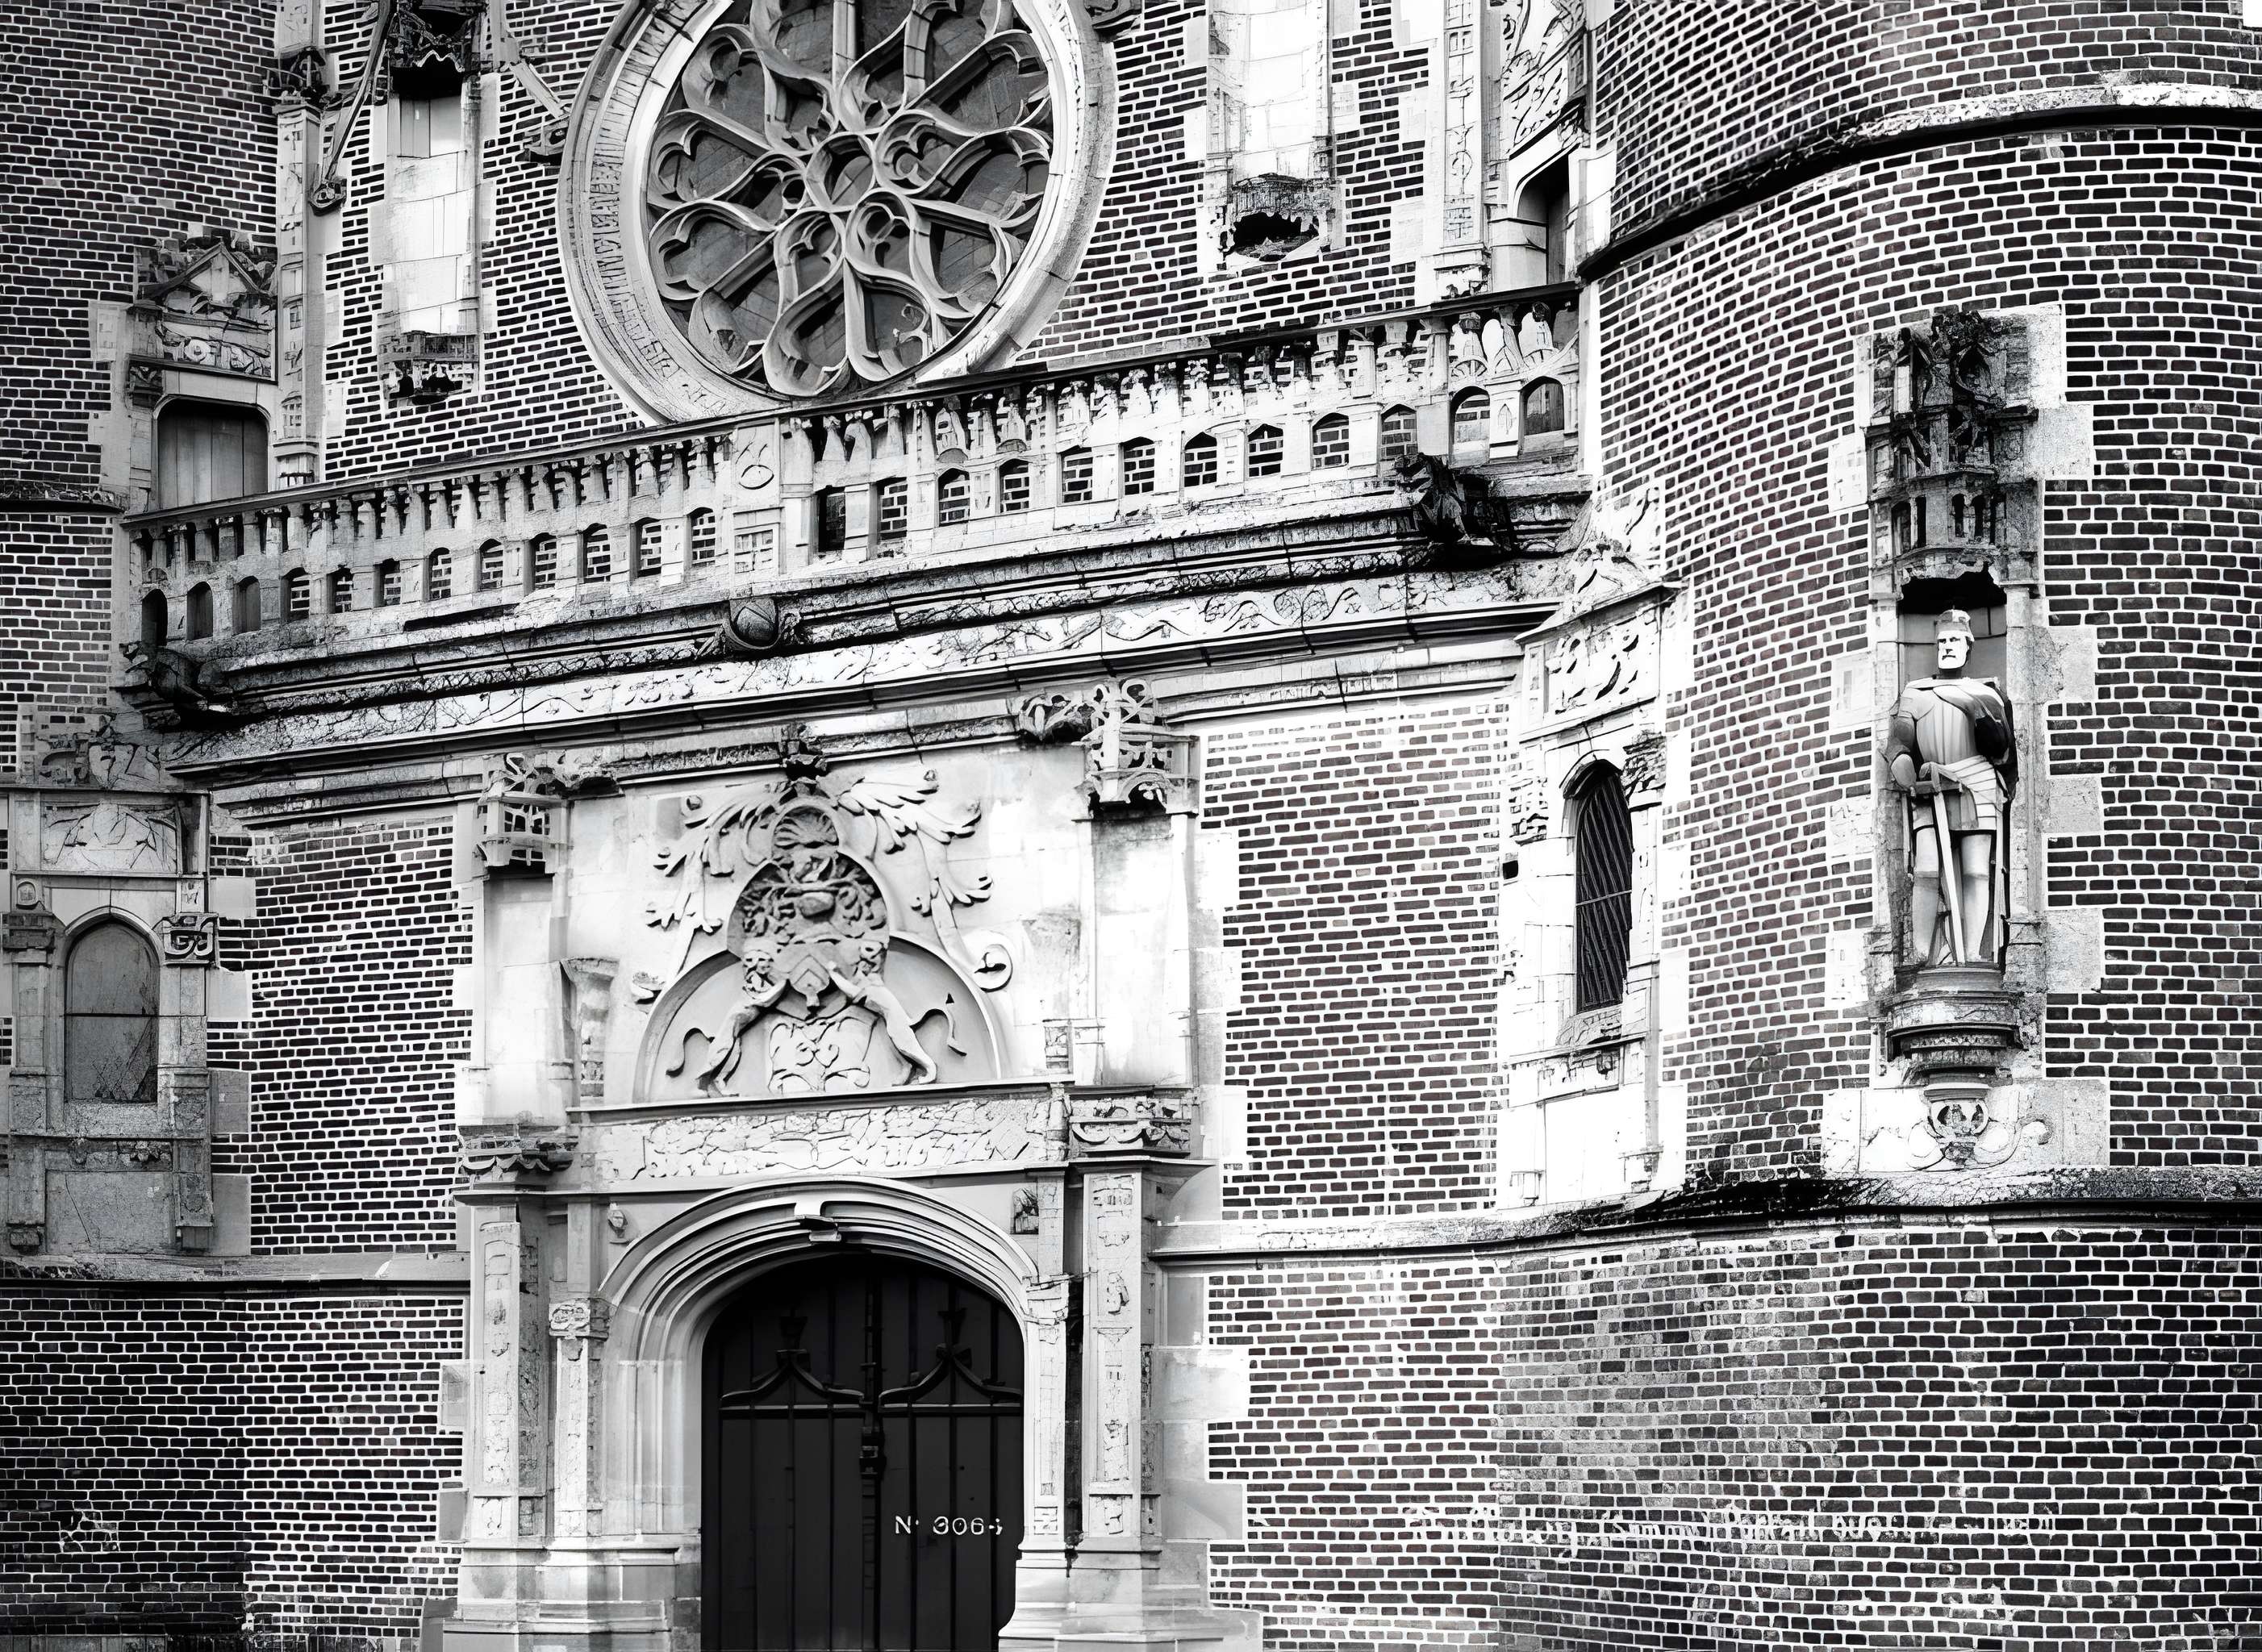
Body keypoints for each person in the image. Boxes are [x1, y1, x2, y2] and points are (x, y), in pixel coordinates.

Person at [1886, 609, 2015, 967]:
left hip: (1977, 783)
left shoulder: (1985, 692)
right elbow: (1900, 740)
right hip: (1931, 784)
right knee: (1926, 869)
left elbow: (2002, 749)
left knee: (1977, 871)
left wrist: (1979, 713)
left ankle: (1973, 951)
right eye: (1941, 641)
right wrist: (1904, 767)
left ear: (1968, 646)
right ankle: (1920, 952)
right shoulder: (1915, 692)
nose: (1946, 647)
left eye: (1954, 640)